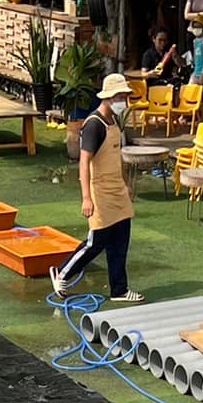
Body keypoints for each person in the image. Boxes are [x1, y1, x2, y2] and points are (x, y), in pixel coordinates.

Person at [52, 75, 145, 306]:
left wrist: (125, 184)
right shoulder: (94, 125)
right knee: (96, 242)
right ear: (110, 97)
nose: (124, 101)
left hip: (117, 190)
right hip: (100, 192)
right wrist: (86, 198)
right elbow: (84, 163)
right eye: (120, 96)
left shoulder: (114, 121)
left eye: (125, 96)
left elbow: (116, 157)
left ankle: (119, 289)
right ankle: (62, 273)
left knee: (120, 242)